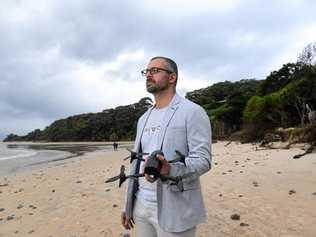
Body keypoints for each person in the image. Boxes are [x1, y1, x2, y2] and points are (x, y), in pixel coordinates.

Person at [121, 56, 212, 237]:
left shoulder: (192, 111)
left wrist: (170, 170)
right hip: (141, 206)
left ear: (172, 77)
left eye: (155, 70)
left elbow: (203, 160)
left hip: (176, 207)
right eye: (146, 72)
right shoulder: (143, 118)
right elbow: (136, 163)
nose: (148, 75)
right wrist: (128, 205)